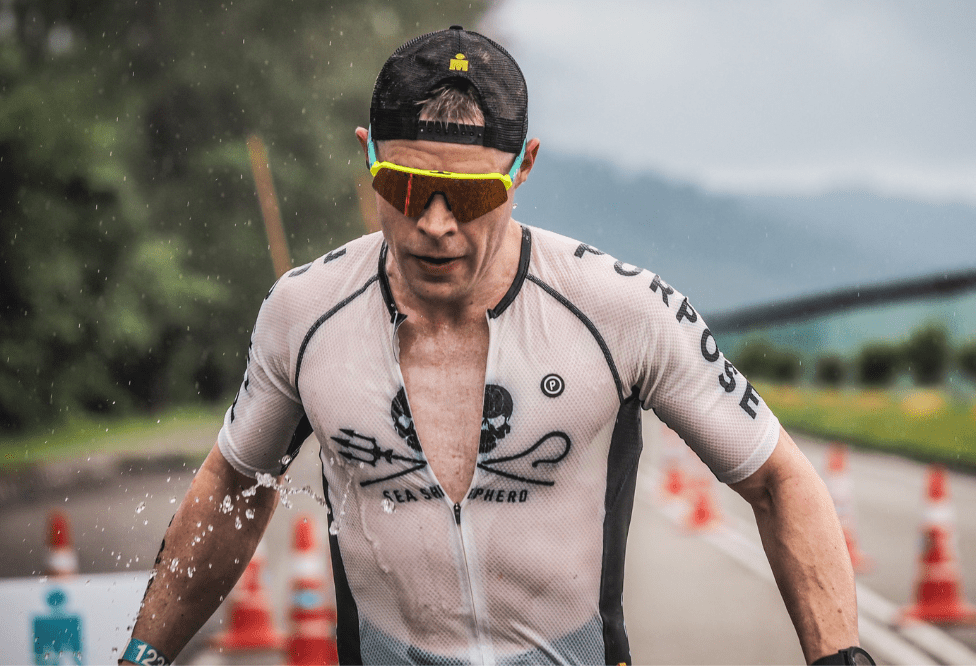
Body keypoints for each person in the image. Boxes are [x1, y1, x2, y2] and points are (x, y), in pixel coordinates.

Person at [120, 26, 873, 666]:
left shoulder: (622, 309)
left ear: (524, 169)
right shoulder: (303, 311)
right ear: (368, 156)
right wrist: (141, 657)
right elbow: (233, 482)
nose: (436, 223)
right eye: (405, 187)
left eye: (472, 195)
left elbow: (779, 480)